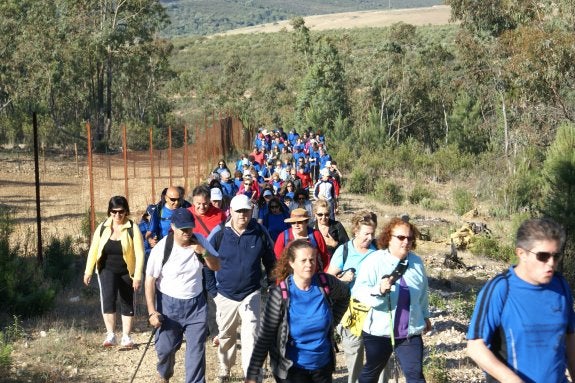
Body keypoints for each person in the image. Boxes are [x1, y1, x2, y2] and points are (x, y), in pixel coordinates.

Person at [467, 217, 575, 383]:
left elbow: (570, 339)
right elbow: (475, 346)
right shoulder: (501, 288)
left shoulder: (560, 286)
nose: (551, 263)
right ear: (521, 253)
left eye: (556, 256)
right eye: (543, 256)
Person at [245, 239, 350, 383]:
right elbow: (266, 334)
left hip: (322, 366)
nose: (309, 265)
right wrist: (252, 373)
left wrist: (332, 320)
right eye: (303, 260)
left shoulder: (325, 283)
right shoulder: (280, 294)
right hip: (292, 369)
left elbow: (345, 295)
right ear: (291, 263)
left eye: (312, 259)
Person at [145, 208, 220, 383]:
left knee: (196, 352)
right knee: (165, 349)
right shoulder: (163, 247)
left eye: (189, 228)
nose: (187, 232)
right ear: (173, 227)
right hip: (168, 305)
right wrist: (151, 311)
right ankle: (164, 372)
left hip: (196, 305)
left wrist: (203, 251)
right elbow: (150, 281)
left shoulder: (200, 241)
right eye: (182, 229)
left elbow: (216, 266)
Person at [207, 194, 276, 382]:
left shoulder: (260, 231)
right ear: (231, 212)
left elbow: (270, 261)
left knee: (251, 334)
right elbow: (206, 262)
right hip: (225, 294)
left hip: (251, 293)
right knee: (226, 335)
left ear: (251, 211)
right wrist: (213, 291)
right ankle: (225, 367)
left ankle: (250, 374)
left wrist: (273, 284)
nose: (243, 215)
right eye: (239, 211)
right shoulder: (219, 233)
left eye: (246, 211)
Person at [353, 217, 431, 383]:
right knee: (371, 372)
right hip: (379, 330)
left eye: (410, 238)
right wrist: (379, 289)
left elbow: (423, 292)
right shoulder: (374, 261)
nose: (406, 242)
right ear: (388, 237)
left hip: (409, 331)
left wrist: (425, 315)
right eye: (401, 237)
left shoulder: (416, 262)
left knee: (415, 375)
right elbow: (358, 291)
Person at [84, 196, 145, 347]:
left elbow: (140, 253)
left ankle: (126, 336)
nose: (117, 215)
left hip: (126, 270)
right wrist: (88, 271)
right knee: (108, 298)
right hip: (106, 269)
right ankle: (110, 335)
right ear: (109, 212)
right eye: (114, 212)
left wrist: (137, 276)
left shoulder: (132, 228)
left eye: (121, 212)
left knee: (127, 300)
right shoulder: (103, 227)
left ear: (126, 212)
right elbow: (94, 249)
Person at [326, 211, 379, 383]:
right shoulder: (345, 250)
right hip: (351, 309)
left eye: (372, 233)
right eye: (366, 234)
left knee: (378, 354)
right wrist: (343, 278)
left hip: (376, 309)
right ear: (356, 231)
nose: (369, 238)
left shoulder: (378, 249)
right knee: (354, 352)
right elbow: (328, 278)